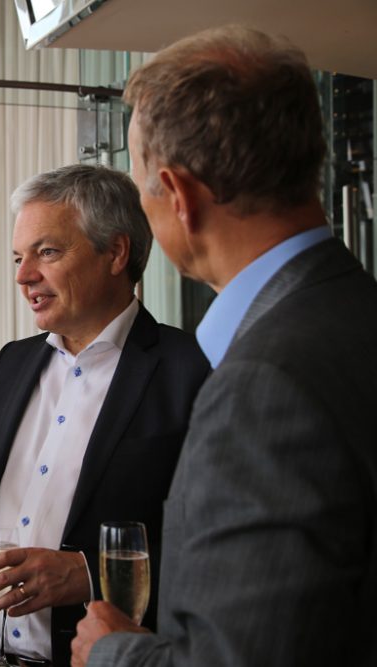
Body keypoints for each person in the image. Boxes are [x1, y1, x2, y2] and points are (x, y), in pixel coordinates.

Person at [72, 26, 377, 667]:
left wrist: (114, 653)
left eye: (140, 186)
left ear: (178, 195)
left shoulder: (263, 384)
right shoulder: (355, 309)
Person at [0, 164, 209, 667]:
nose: (22, 274)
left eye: (47, 252)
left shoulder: (189, 371)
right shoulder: (13, 362)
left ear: (116, 252)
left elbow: (222, 552)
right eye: (18, 256)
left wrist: (86, 575)